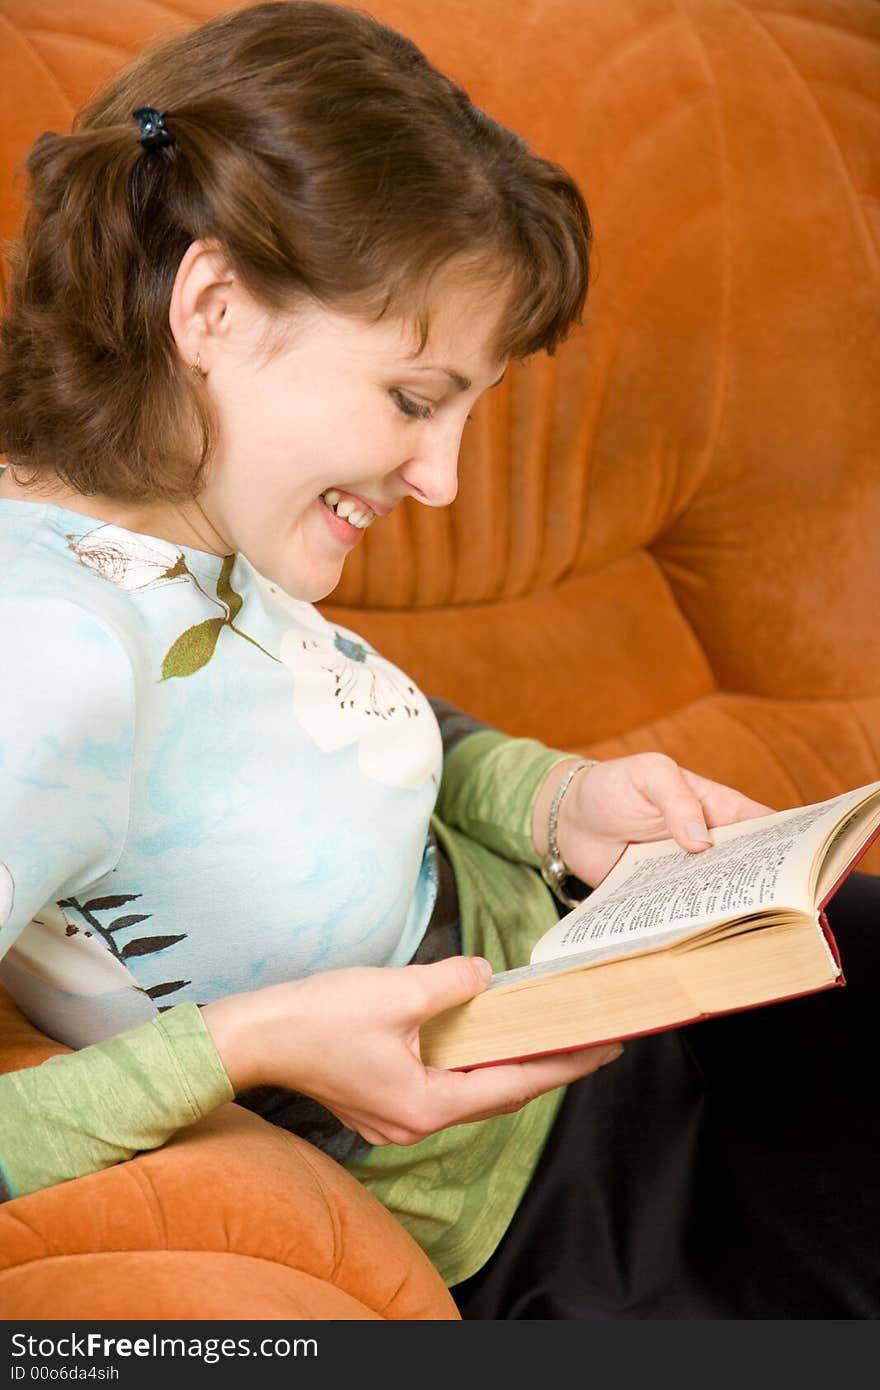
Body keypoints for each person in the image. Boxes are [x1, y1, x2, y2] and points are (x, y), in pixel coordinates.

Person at [0, 1, 877, 1320]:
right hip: (565, 1200)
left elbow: (314, 724)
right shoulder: (50, 665)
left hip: (617, 977)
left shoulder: (190, 511)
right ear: (217, 303)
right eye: (415, 400)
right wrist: (252, 1045)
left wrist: (554, 795)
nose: (446, 476)